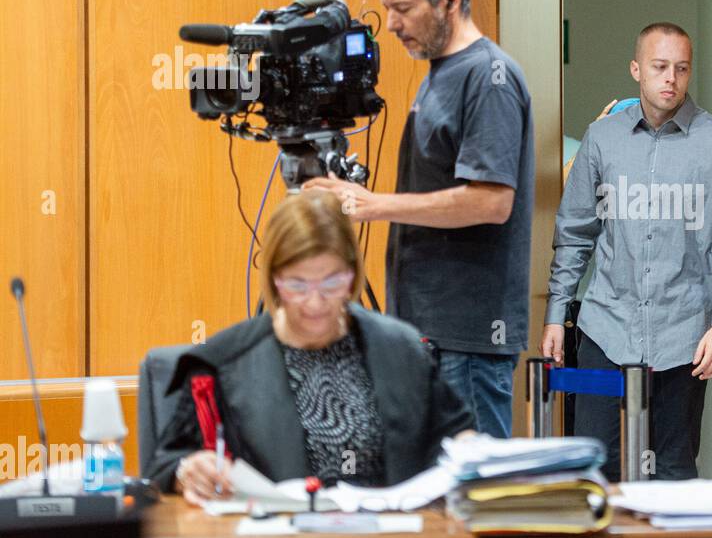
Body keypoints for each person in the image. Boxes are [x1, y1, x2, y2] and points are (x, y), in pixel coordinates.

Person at [305, 0, 534, 438]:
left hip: (467, 342)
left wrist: (374, 205)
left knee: (475, 504)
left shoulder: (489, 76)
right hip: (428, 333)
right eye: (387, 9)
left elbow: (492, 201)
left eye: (403, 8)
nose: (391, 24)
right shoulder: (439, 74)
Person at [146, 191, 475, 507]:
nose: (315, 303)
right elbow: (164, 464)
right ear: (274, 278)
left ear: (353, 273)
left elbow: (454, 434)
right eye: (297, 285)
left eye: (333, 283)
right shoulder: (224, 362)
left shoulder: (400, 348)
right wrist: (188, 470)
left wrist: (470, 452)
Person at [541, 22, 712, 481]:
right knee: (596, 469)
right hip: (605, 328)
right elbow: (575, 232)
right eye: (659, 67)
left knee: (674, 471)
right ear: (636, 68)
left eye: (681, 69)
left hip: (685, 336)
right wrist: (556, 313)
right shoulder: (601, 139)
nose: (670, 80)